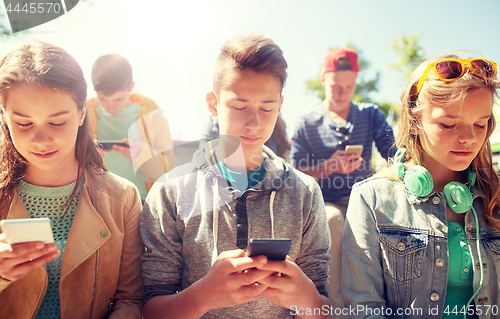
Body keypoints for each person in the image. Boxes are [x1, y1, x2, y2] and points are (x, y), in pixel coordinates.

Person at [140, 34, 331, 319]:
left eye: (266, 108)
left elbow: (323, 308)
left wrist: (307, 299)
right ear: (213, 104)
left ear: (280, 105)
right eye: (239, 107)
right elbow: (150, 309)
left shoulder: (305, 192)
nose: (254, 123)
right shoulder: (170, 191)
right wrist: (202, 297)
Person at [343, 54, 500, 318]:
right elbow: (363, 309)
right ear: (415, 121)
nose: (470, 139)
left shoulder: (495, 196)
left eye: (480, 124)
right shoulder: (370, 197)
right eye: (449, 124)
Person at [0, 42, 143, 319]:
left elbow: (131, 300)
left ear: (81, 113)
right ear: (4, 118)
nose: (41, 140)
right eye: (24, 123)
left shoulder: (123, 198)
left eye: (57, 122)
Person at [290, 47, 396, 314]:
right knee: (332, 220)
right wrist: (328, 167)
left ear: (356, 82)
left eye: (349, 86)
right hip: (328, 202)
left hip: (367, 200)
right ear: (323, 78)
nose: (342, 93)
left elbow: (394, 152)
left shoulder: (370, 114)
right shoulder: (306, 122)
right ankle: (335, 311)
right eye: (336, 86)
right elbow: (295, 173)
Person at [87, 54, 177, 201]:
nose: (110, 106)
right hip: (96, 203)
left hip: (143, 202)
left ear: (131, 87)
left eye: (118, 99)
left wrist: (142, 154)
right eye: (103, 99)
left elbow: (171, 170)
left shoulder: (154, 118)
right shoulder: (83, 114)